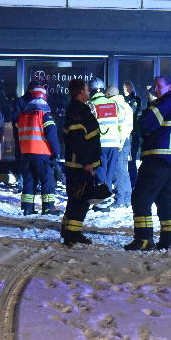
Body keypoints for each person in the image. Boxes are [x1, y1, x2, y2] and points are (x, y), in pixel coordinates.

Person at [124, 76, 171, 251]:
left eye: (159, 86)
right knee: (165, 199)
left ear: (169, 87)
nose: (156, 90)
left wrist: (143, 114)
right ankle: (169, 239)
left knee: (140, 198)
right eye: (155, 87)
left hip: (159, 157)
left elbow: (146, 124)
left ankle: (143, 239)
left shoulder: (166, 102)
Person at [61, 79, 101, 246]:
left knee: (76, 198)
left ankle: (69, 231)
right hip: (80, 166)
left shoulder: (77, 109)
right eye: (86, 89)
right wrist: (87, 163)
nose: (89, 92)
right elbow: (78, 140)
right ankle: (73, 234)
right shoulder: (78, 111)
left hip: (79, 164)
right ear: (80, 92)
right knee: (80, 199)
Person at [17, 85, 62, 216]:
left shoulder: (22, 116)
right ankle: (48, 208)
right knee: (48, 179)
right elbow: (52, 134)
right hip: (41, 153)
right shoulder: (45, 115)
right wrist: (56, 152)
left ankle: (27, 208)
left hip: (25, 153)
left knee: (29, 180)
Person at [87, 78, 124, 212]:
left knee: (100, 172)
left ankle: (102, 202)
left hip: (99, 144)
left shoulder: (90, 105)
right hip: (114, 143)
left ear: (91, 90)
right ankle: (106, 201)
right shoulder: (114, 104)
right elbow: (121, 123)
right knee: (109, 173)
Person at [105, 85, 133, 208]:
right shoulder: (125, 104)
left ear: (109, 95)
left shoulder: (113, 105)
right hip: (126, 140)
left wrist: (119, 143)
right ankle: (127, 198)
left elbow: (118, 125)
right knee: (123, 170)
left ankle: (119, 199)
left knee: (117, 171)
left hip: (119, 141)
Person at [11, 81, 41, 191]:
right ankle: (22, 181)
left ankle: (33, 182)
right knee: (22, 158)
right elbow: (15, 118)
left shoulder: (36, 101)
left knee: (31, 159)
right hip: (24, 136)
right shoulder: (21, 101)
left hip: (31, 136)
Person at [122, 81, 142, 187]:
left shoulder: (135, 99)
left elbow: (132, 111)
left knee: (131, 159)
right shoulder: (122, 100)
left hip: (133, 134)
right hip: (125, 133)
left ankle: (133, 182)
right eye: (123, 88)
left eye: (126, 88)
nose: (125, 90)